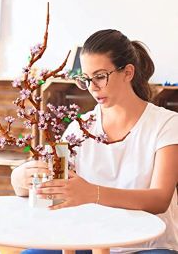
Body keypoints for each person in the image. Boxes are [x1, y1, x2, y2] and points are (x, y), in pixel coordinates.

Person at [11, 29, 178, 254]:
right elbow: (57, 190)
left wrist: (92, 193)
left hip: (147, 245)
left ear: (128, 72)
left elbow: (159, 199)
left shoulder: (166, 124)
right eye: (86, 79)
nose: (93, 87)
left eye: (100, 76)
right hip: (87, 240)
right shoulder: (79, 128)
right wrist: (20, 180)